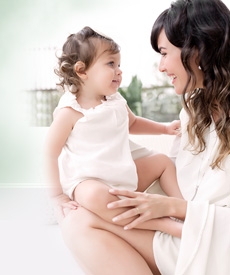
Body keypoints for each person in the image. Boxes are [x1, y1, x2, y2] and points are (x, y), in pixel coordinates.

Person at [57, 0, 230, 274]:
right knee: (78, 217)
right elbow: (169, 171)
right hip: (181, 233)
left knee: (78, 222)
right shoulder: (193, 112)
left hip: (214, 243)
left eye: (164, 53)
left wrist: (172, 209)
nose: (161, 67)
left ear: (196, 50)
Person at [44, 26, 182, 238]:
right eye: (111, 64)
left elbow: (132, 123)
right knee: (93, 196)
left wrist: (164, 129)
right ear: (82, 71)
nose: (119, 70)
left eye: (119, 64)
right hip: (89, 181)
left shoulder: (115, 100)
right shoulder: (70, 112)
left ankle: (182, 207)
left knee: (163, 162)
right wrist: (57, 196)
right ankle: (163, 224)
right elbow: (49, 153)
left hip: (122, 174)